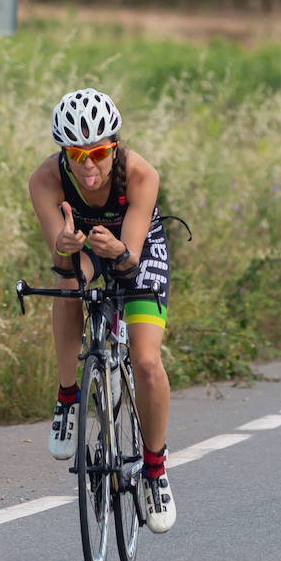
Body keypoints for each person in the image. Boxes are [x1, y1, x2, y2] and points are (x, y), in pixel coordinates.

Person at [28, 88, 176, 533]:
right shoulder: (46, 180)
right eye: (77, 154)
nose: (88, 165)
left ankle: (155, 470)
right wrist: (64, 245)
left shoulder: (139, 175)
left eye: (98, 152)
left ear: (113, 145)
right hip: (89, 248)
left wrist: (119, 251)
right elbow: (61, 258)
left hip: (136, 248)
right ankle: (69, 396)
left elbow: (129, 257)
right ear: (64, 153)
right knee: (67, 282)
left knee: (147, 360)